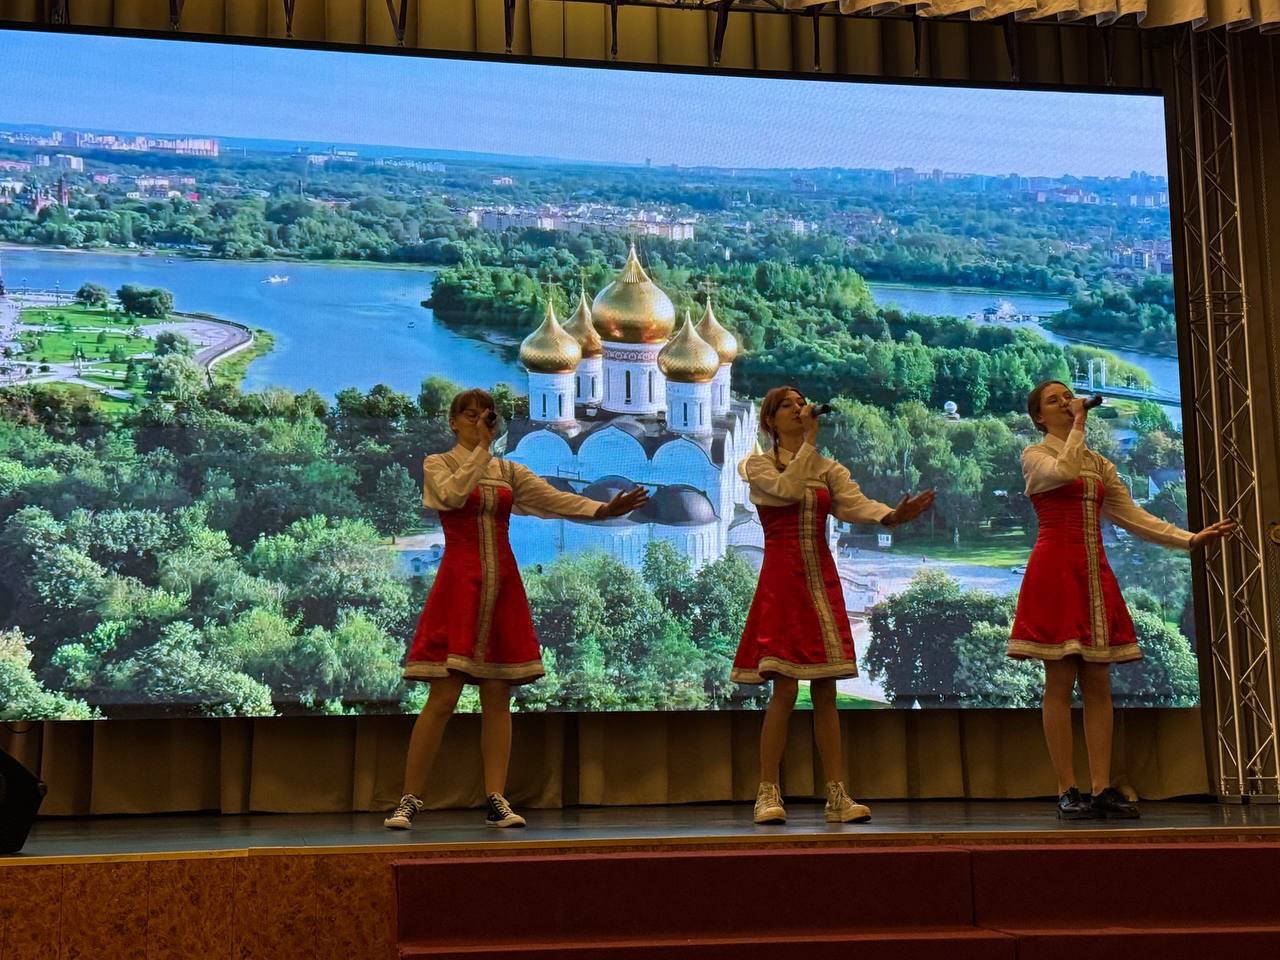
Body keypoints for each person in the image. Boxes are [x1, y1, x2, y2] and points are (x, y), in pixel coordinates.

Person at [386, 389, 648, 830]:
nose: (478, 422)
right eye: (469, 415)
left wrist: (603, 510)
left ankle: (496, 798)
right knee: (443, 696)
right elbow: (452, 496)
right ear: (453, 422)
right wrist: (481, 451)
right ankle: (408, 800)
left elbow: (554, 499)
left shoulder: (509, 471)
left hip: (502, 586)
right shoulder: (438, 464)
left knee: (496, 696)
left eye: (485, 416)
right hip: (459, 588)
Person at [1009, 381, 1235, 821]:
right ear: (1038, 417)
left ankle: (1101, 787)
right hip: (1054, 571)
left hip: (1093, 572)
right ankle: (1066, 788)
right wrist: (1079, 423)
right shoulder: (1035, 455)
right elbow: (1064, 472)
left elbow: (1132, 516)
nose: (1065, 402)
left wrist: (1188, 538)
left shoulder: (1099, 464)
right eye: (1054, 401)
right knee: (1059, 680)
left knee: (1098, 682)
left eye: (1068, 396)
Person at [733, 386, 934, 824]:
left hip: (820, 581)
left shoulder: (826, 468)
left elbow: (853, 504)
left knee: (826, 689)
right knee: (785, 687)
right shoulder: (759, 466)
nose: (798, 408)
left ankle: (838, 796)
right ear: (769, 421)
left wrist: (891, 516)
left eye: (800, 402)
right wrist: (808, 442)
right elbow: (787, 490)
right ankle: (767, 792)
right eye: (787, 405)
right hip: (782, 581)